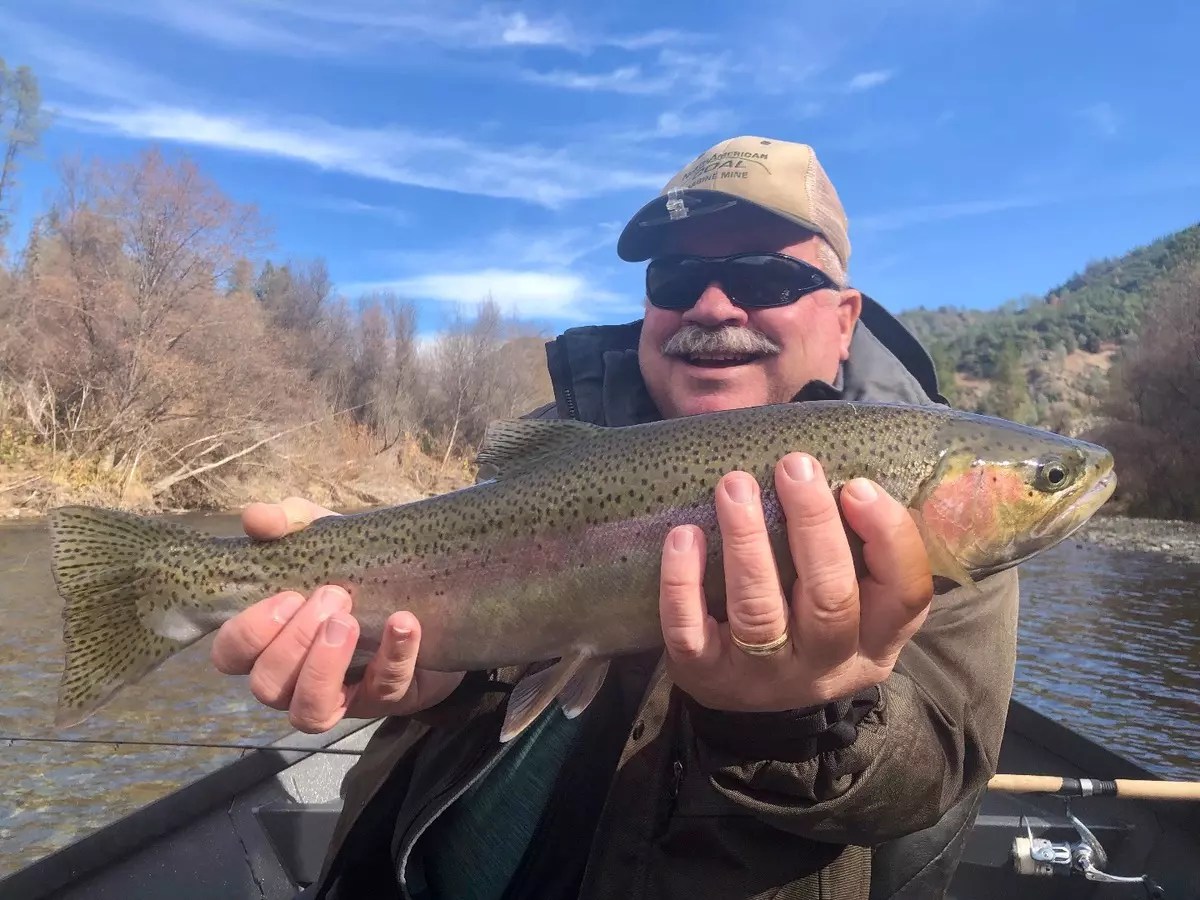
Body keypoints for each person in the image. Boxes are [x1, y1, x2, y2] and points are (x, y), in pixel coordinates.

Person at [212, 136, 1020, 900]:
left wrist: (795, 722)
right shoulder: (559, 448)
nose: (710, 302)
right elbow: (463, 611)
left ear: (844, 320)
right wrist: (435, 677)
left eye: (765, 277)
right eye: (673, 279)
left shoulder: (917, 505)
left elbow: (936, 774)